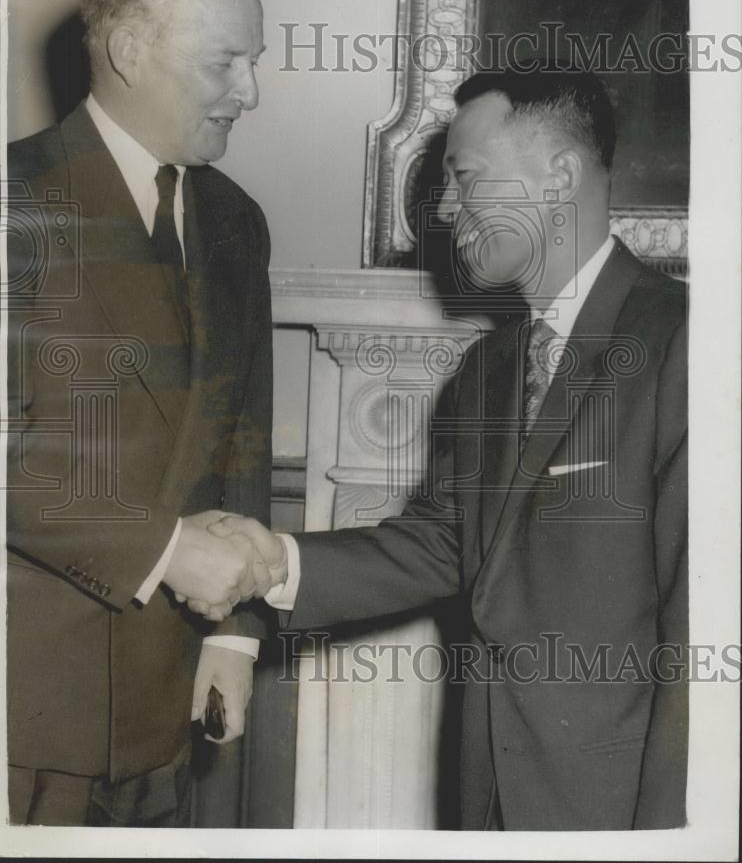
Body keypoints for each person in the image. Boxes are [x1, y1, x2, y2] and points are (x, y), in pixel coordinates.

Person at [204, 67, 688, 830]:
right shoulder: (487, 369)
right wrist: (273, 562)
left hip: (615, 812)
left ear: (559, 175)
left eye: (465, 179)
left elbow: (703, 644)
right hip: (486, 797)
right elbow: (442, 545)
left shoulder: (688, 344)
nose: (446, 210)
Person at [5, 0, 273, 826]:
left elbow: (246, 439)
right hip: (28, 718)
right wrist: (167, 550)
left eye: (256, 61)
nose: (253, 93)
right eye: (225, 62)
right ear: (128, 51)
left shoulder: (238, 222)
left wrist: (236, 633)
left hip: (168, 714)